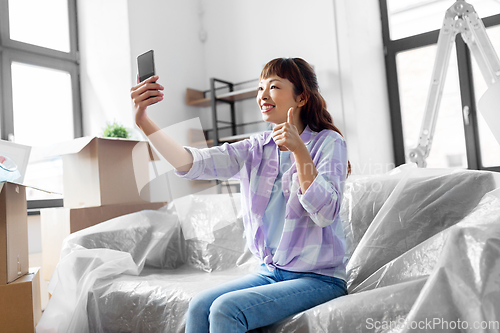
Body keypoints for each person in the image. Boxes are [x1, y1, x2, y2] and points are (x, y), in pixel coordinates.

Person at [131, 57, 350, 333]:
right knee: (200, 305)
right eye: (260, 88)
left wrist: (299, 151)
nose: (263, 96)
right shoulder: (257, 149)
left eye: (274, 87)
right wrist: (143, 121)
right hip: (271, 273)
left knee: (227, 310)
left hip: (320, 278)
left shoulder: (329, 143)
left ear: (302, 96)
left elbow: (326, 213)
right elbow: (191, 162)